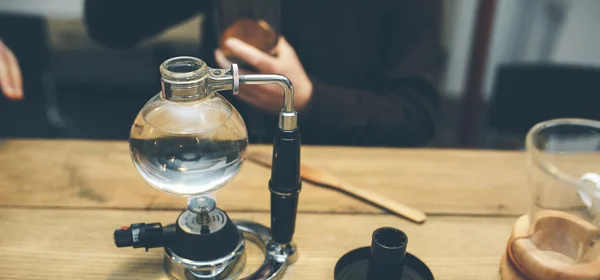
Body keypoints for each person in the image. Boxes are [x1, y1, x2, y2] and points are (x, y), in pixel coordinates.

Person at [84, 0, 442, 147]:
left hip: (340, 163)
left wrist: (308, 100)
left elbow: (416, 116)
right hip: (219, 154)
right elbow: (110, 25)